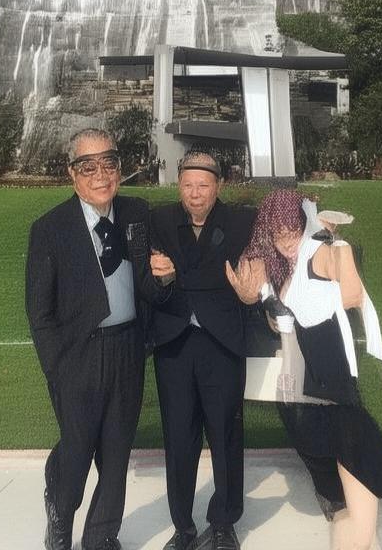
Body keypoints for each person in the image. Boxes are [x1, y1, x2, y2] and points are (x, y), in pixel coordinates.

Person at [229, 188, 382, 550]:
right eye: (278, 234)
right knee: (342, 510)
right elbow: (283, 316)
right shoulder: (287, 269)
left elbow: (352, 295)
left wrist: (335, 242)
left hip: (336, 399)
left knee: (356, 513)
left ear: (303, 225)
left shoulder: (320, 252)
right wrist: (267, 305)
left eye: (293, 231)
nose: (287, 242)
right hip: (309, 403)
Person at [25, 128, 165, 550]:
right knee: (77, 448)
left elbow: (149, 283)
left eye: (109, 163)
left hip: (127, 348)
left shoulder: (137, 212)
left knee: (117, 451)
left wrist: (165, 279)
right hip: (76, 356)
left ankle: (102, 535)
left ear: (120, 168)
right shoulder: (50, 229)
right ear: (72, 174)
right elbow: (39, 311)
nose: (101, 175)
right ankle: (60, 513)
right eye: (88, 167)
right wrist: (56, 367)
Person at [147, 151, 258, 550]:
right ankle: (183, 527)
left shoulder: (242, 221)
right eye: (188, 185)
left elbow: (289, 217)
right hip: (174, 343)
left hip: (221, 342)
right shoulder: (159, 219)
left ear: (218, 186)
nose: (195, 194)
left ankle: (224, 523)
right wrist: (164, 279)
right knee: (178, 436)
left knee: (225, 434)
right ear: (178, 186)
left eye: (203, 186)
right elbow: (148, 276)